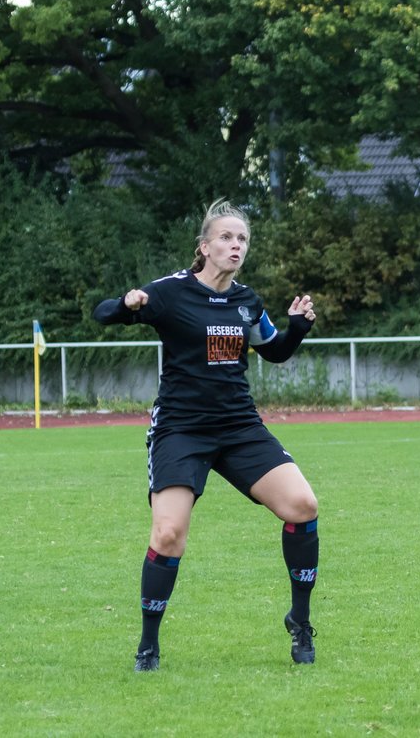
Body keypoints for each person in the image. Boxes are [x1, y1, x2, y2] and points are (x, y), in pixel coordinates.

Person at [92, 198, 322, 672]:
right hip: (181, 428)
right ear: (205, 246)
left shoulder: (247, 301)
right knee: (169, 533)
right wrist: (127, 304)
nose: (235, 245)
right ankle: (148, 645)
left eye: (241, 239)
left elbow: (273, 350)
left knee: (303, 506)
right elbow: (103, 314)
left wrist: (297, 328)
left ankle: (299, 621)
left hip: (238, 427)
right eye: (226, 237)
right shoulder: (172, 292)